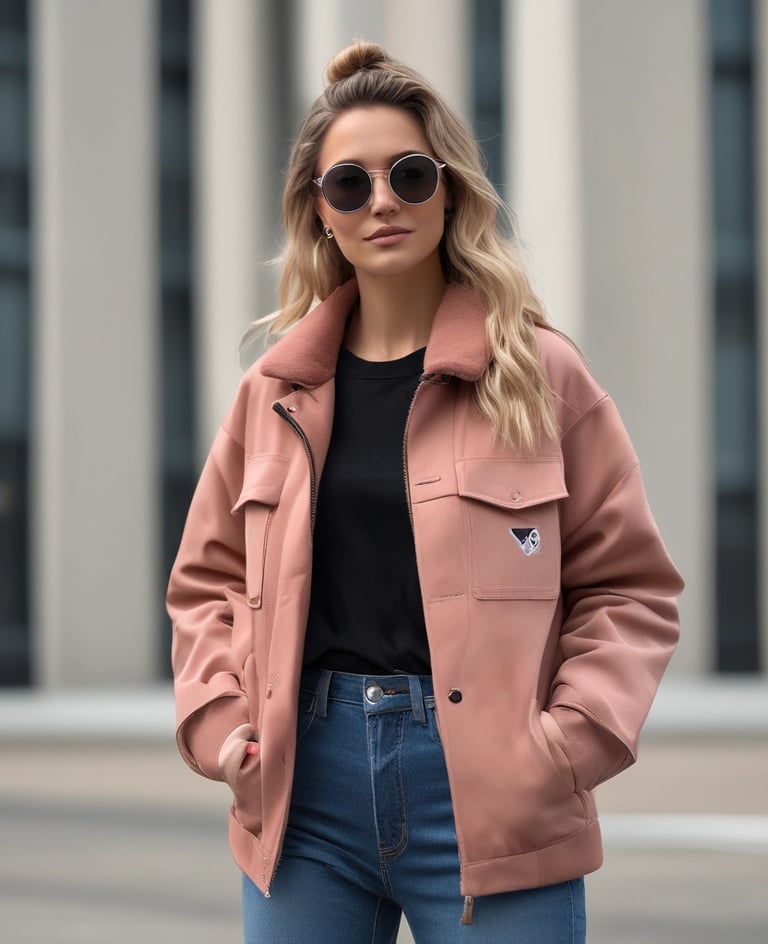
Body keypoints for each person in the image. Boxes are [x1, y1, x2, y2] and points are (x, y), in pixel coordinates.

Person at [168, 40, 683, 944]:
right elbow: (205, 583)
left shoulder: (538, 376)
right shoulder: (272, 396)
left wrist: (564, 747)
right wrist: (224, 732)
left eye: (410, 175)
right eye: (349, 185)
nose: (383, 203)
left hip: (495, 796)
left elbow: (632, 587)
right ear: (319, 214)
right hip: (303, 797)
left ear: (449, 191)